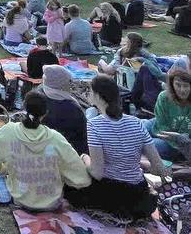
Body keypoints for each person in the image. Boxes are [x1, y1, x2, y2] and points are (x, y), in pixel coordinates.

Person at [66, 75, 168, 221]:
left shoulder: (94, 125)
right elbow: (158, 167)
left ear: (98, 97)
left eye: (90, 91)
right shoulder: (137, 123)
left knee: (69, 187)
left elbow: (97, 173)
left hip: (111, 193)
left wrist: (84, 158)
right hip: (139, 197)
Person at [0, 91, 91, 211]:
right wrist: (83, 159)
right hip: (52, 203)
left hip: (20, 200)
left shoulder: (9, 131)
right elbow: (82, 178)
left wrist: (4, 170)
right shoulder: (56, 138)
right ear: (45, 114)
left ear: (23, 108)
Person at [38, 65, 87, 155]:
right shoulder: (71, 109)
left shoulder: (39, 94)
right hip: (69, 152)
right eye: (68, 82)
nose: (70, 84)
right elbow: (82, 136)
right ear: (60, 85)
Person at [146, 66, 191, 162]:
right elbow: (161, 123)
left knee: (150, 145)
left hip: (182, 143)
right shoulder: (163, 97)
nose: (182, 90)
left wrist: (179, 141)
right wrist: (163, 134)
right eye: (178, 85)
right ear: (172, 84)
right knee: (138, 127)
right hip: (163, 130)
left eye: (186, 86)